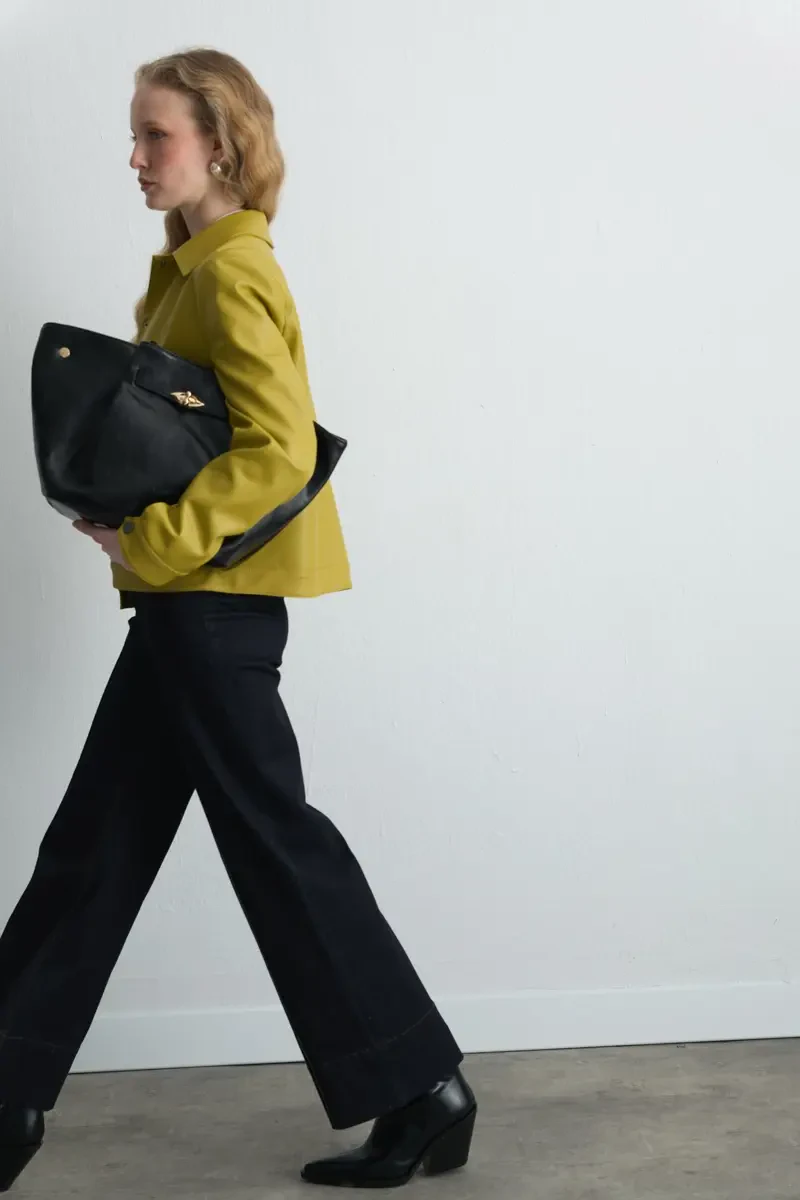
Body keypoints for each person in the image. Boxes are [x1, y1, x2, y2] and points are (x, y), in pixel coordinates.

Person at [0, 47, 476, 1192]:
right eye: (135, 134)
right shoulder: (189, 271)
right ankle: (9, 1090)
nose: (134, 156)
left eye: (154, 135)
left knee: (266, 844)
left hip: (210, 613)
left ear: (219, 144)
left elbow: (279, 451)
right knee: (98, 846)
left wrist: (153, 540)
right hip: (192, 611)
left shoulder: (231, 272)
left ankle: (422, 1087)